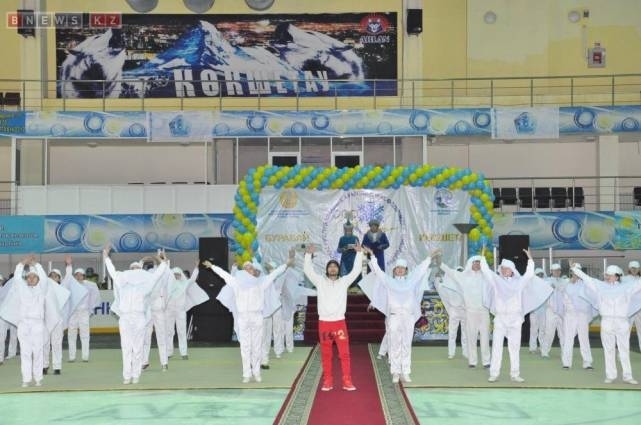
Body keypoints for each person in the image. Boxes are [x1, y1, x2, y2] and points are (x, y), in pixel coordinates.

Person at [205, 253, 293, 383]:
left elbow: (274, 274)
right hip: (243, 318)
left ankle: (256, 373)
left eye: (250, 268)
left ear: (253, 271)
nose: (248, 269)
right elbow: (224, 274)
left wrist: (286, 264)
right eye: (245, 267)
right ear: (242, 271)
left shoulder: (261, 283)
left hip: (257, 317)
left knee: (257, 346)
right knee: (245, 347)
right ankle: (246, 374)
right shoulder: (236, 283)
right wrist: (212, 266)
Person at [360, 249, 432, 383]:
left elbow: (420, 270)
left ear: (406, 271)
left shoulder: (411, 281)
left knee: (406, 344)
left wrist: (429, 257)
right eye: (397, 268)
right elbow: (378, 272)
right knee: (394, 344)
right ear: (394, 270)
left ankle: (406, 371)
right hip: (394, 317)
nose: (400, 270)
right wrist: (373, 256)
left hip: (408, 317)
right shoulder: (388, 281)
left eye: (402, 268)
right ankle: (395, 372)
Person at [480, 248, 552, 383]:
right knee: (496, 347)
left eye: (507, 268)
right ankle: (494, 373)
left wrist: (530, 259)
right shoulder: (496, 281)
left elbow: (529, 275)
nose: (504, 270)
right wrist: (482, 258)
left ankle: (515, 374)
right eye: (502, 268)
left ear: (512, 270)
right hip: (500, 319)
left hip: (515, 320)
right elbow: (486, 272)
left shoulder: (519, 283)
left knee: (514, 348)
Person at [303, 242, 364, 391]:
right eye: (330, 266)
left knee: (344, 354)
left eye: (335, 266)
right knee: (326, 354)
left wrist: (359, 253)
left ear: (338, 269)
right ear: (327, 270)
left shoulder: (344, 282)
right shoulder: (320, 281)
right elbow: (308, 270)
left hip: (339, 323)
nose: (332, 268)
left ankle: (347, 381)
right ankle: (328, 381)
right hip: (324, 324)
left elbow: (356, 270)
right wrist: (308, 255)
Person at [104, 245, 169, 385]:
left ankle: (136, 375)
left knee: (138, 347)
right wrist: (106, 257)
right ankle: (127, 376)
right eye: (132, 268)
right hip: (125, 317)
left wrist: (163, 262)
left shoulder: (146, 283)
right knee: (126, 347)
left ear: (140, 270)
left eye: (136, 268)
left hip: (139, 317)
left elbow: (158, 275)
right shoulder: (122, 282)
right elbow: (112, 271)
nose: (134, 270)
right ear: (129, 270)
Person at [0, 255, 67, 387]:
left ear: (38, 279)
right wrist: (22, 263)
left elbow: (44, 277)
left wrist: (36, 264)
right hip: (23, 324)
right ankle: (26, 379)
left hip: (37, 324)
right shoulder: (21, 288)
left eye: (34, 277)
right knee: (25, 353)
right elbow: (17, 277)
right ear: (26, 279)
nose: (31, 279)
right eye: (29, 277)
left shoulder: (42, 289)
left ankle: (38, 378)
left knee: (37, 352)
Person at [571, 263, 641, 384]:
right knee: (608, 349)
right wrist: (574, 269)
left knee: (624, 349)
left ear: (617, 276)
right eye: (606, 275)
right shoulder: (600, 287)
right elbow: (587, 279)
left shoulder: (627, 288)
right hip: (607, 322)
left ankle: (627, 376)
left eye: (610, 275)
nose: (607, 277)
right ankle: (610, 375)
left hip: (622, 322)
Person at [438, 254, 491, 369]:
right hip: (470, 312)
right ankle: (472, 361)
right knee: (471, 337)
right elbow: (451, 272)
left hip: (484, 312)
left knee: (485, 337)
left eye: (479, 262)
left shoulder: (486, 276)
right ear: (470, 263)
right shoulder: (464, 276)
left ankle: (486, 361)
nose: (477, 264)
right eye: (475, 262)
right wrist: (440, 263)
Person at [554, 264, 595, 370]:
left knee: (584, 339)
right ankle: (566, 362)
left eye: (578, 271)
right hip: (570, 315)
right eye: (574, 271)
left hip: (582, 315)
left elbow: (591, 298)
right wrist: (562, 314)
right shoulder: (565, 284)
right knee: (568, 338)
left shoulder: (585, 284)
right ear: (571, 272)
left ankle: (587, 362)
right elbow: (559, 297)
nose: (575, 273)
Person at [165, 265, 208, 360]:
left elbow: (192, 279)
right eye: (174, 274)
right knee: (169, 332)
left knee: (181, 332)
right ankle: (168, 352)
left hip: (180, 312)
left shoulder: (185, 283)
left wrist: (196, 268)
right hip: (169, 311)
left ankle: (184, 353)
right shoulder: (168, 285)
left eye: (178, 274)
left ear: (181, 275)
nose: (176, 276)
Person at [141, 255, 172, 371]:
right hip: (147, 311)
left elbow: (166, 270)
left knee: (161, 336)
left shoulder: (162, 276)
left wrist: (162, 260)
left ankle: (164, 362)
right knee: (146, 337)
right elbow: (136, 272)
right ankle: (144, 361)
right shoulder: (145, 278)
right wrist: (142, 261)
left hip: (158, 310)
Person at [66, 263, 101, 362]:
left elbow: (96, 297)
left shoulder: (90, 285)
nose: (78, 277)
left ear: (84, 276)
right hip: (73, 313)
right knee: (71, 335)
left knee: (85, 334)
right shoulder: (70, 286)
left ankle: (85, 356)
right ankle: (72, 356)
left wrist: (90, 310)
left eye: (80, 275)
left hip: (84, 312)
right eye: (76, 275)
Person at [433, 264, 468, 361]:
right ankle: (451, 353)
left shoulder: (467, 285)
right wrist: (437, 279)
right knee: (452, 333)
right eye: (458, 272)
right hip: (454, 311)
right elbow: (439, 288)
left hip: (465, 311)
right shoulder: (448, 286)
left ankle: (466, 352)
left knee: (465, 333)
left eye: (461, 272)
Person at [540, 264, 566, 358]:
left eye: (558, 270)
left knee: (563, 333)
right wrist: (550, 286)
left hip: (562, 312)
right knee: (549, 332)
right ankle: (545, 352)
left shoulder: (564, 281)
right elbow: (543, 288)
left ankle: (565, 353)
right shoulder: (547, 281)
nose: (557, 272)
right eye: (555, 270)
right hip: (550, 310)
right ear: (551, 271)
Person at [528, 266, 551, 353]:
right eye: (538, 274)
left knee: (542, 330)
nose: (540, 276)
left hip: (543, 311)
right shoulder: (531, 285)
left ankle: (542, 347)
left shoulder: (546, 284)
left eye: (541, 274)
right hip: (534, 311)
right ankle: (532, 348)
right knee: (533, 330)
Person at [622, 260, 641, 351]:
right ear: (629, 269)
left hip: (639, 309)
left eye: (636, 268)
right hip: (628, 309)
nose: (634, 270)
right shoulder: (623, 279)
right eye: (632, 268)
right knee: (625, 331)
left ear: (639, 269)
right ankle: (623, 352)